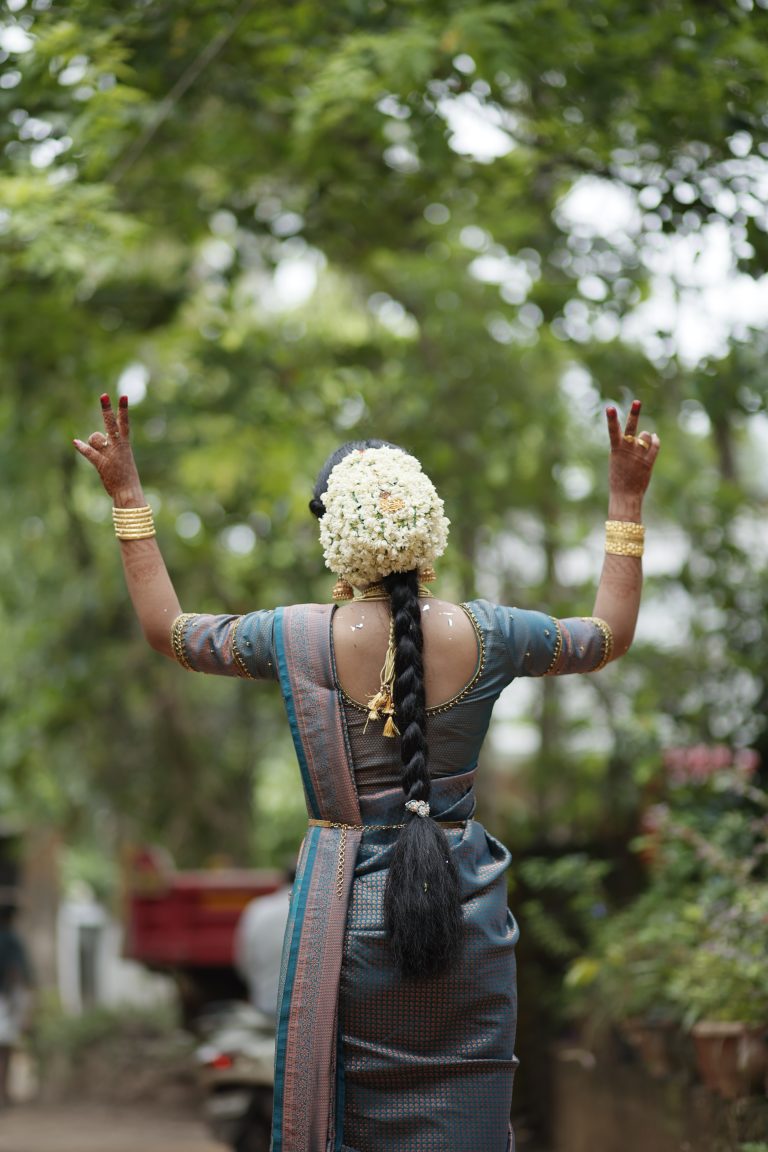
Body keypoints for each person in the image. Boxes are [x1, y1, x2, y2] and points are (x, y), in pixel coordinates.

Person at [74, 396, 660, 1152]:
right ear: (430, 530)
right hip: (466, 918)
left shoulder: (294, 637)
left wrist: (127, 495)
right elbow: (608, 636)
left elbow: (172, 633)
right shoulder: (494, 634)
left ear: (334, 537)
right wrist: (626, 498)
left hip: (345, 922)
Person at [234, 874, 293, 1019]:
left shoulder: (258, 908)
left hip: (265, 1007)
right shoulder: (326, 910)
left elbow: (243, 962)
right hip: (310, 1015)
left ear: (282, 880)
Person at [0, 904, 33, 1107]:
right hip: (5, 998)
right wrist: (18, 998)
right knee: (4, 1050)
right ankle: (3, 1094)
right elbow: (15, 970)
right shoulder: (11, 940)